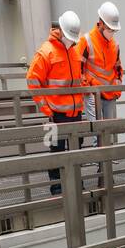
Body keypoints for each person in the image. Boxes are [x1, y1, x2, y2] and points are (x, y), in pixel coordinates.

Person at [26, 10, 84, 196]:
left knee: (77, 148)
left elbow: (76, 80)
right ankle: (58, 187)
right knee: (55, 149)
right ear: (60, 31)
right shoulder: (45, 52)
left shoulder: (74, 50)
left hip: (75, 113)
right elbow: (33, 81)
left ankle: (75, 183)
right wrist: (46, 109)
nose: (72, 40)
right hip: (54, 114)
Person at [78, 1, 123, 146]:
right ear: (101, 23)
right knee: (98, 131)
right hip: (92, 93)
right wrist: (87, 89)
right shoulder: (87, 40)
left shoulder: (114, 45)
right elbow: (78, 67)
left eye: (113, 29)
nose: (111, 32)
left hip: (109, 93)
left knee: (108, 129)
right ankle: (100, 166)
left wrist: (116, 87)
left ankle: (106, 163)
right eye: (110, 28)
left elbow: (118, 68)